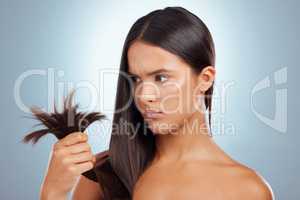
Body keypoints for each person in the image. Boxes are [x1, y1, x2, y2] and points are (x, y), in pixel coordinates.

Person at [40, 6, 274, 200]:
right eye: (136, 79)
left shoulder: (248, 190)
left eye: (161, 77)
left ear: (205, 79)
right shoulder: (106, 174)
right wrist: (53, 192)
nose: (143, 95)